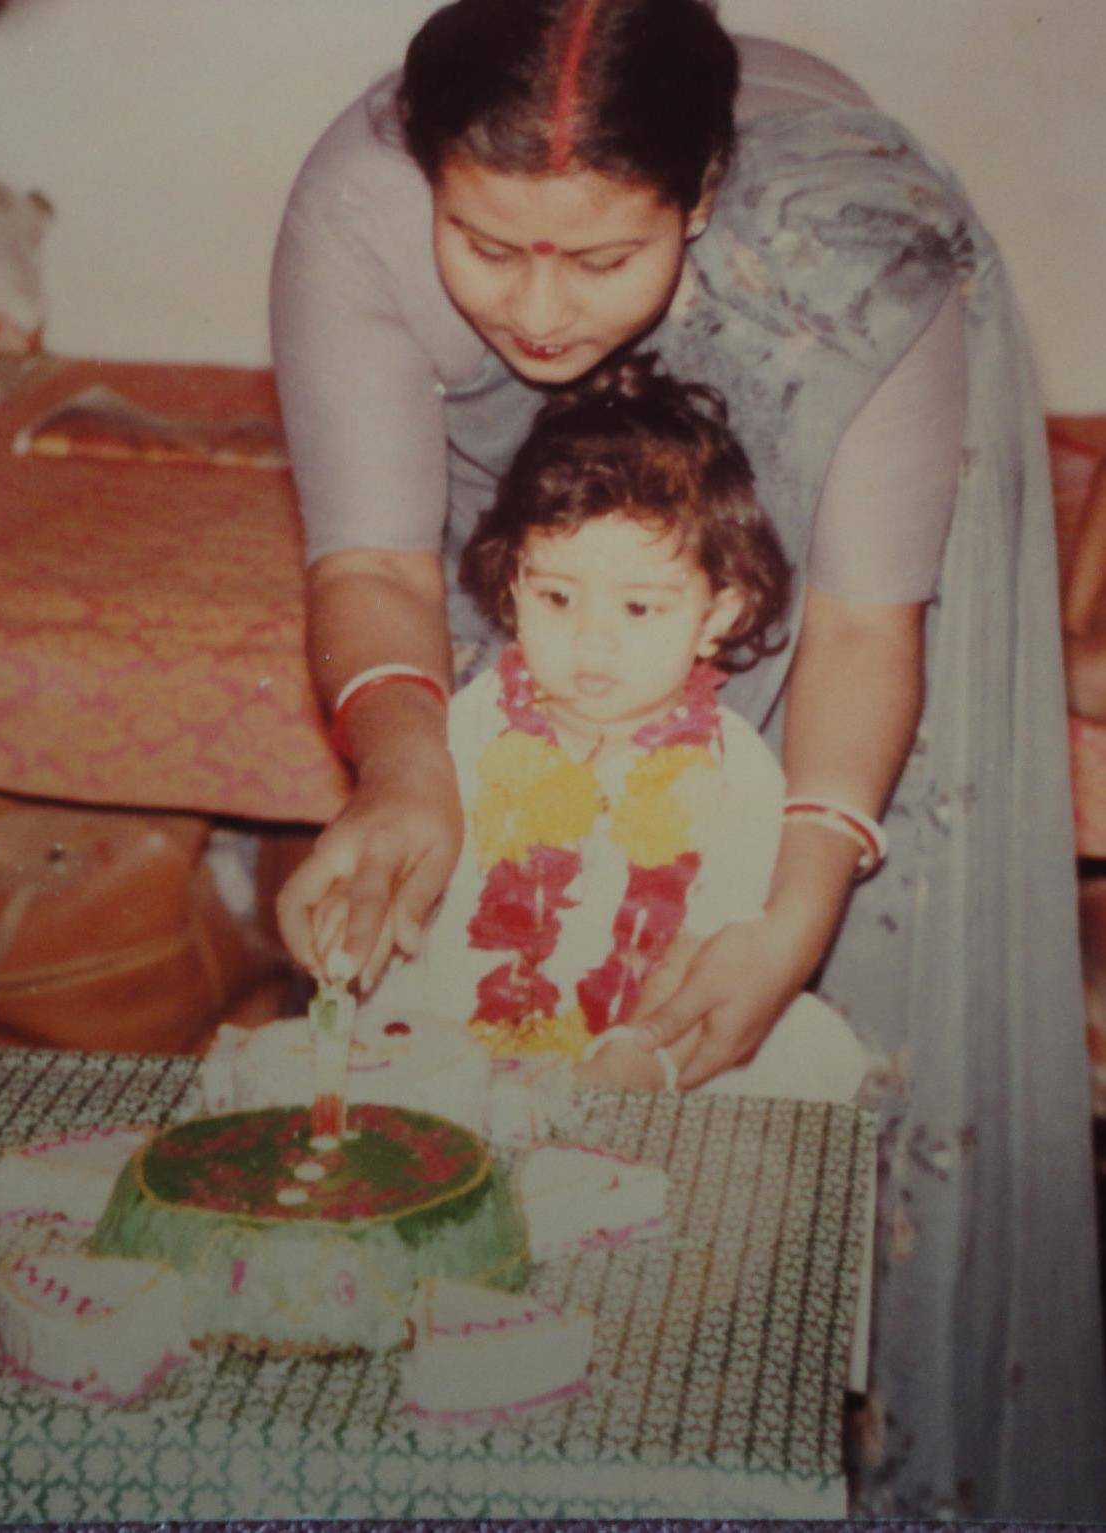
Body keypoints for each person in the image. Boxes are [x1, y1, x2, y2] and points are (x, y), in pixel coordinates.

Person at [269, 0, 1106, 1516]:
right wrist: (405, 772)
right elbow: (377, 565)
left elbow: (856, 631)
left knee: (800, 975)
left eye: (598, 260)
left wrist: (793, 915)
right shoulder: (358, 204)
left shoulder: (851, 251)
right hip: (591, 586)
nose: (532, 311)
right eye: (483, 244)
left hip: (819, 458)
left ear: (702, 194)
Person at [355, 353, 869, 1102]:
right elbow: (419, 897)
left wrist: (636, 1054)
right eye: (559, 597)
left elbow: (708, 947)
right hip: (463, 1028)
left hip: (643, 1045)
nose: (592, 641)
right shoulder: (469, 725)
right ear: (512, 584)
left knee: (798, 1047)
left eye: (637, 608)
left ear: (716, 614)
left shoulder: (737, 770)